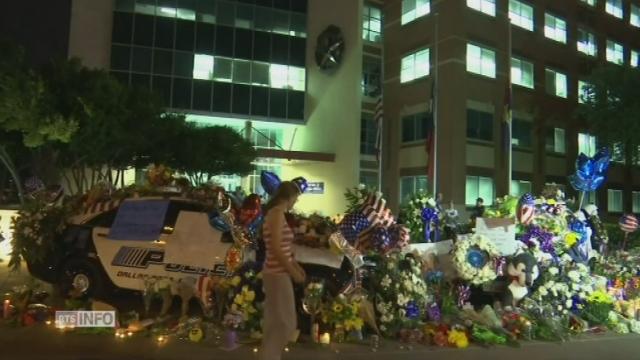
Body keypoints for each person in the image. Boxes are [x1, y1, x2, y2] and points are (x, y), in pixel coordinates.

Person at [259, 181, 306, 360]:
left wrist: (296, 266)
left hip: (277, 272)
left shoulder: (277, 214)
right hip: (276, 274)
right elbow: (277, 250)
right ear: (288, 197)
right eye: (296, 198)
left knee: (275, 323)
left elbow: (284, 249)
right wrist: (293, 272)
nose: (296, 202)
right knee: (285, 323)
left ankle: (270, 356)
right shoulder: (277, 214)